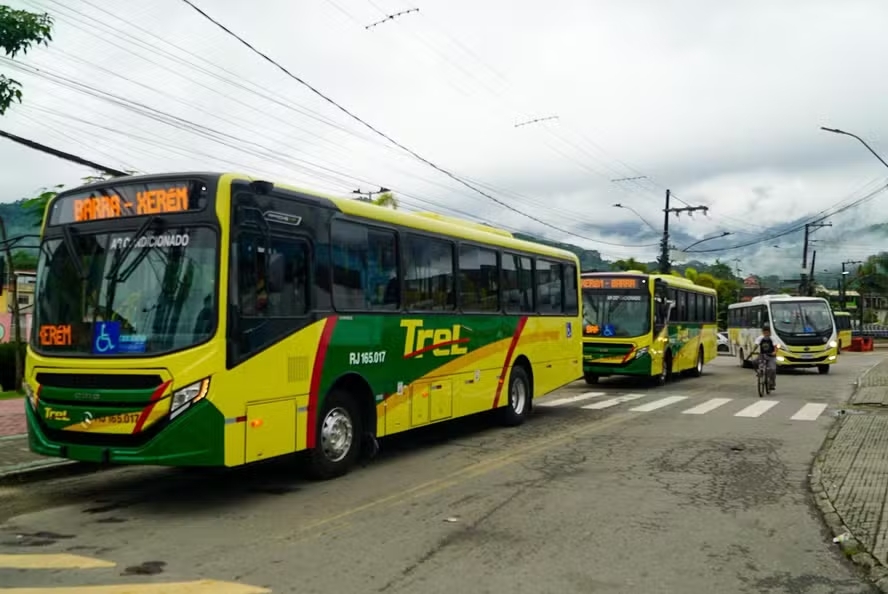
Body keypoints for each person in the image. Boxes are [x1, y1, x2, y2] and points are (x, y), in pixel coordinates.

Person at [754, 322, 778, 391]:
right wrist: (753, 350)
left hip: (771, 356)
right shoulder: (760, 338)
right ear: (763, 332)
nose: (766, 334)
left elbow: (776, 347)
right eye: (764, 333)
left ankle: (772, 383)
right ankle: (759, 373)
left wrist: (774, 352)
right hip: (762, 355)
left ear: (770, 333)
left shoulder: (772, 338)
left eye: (767, 333)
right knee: (754, 362)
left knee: (772, 369)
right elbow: (756, 345)